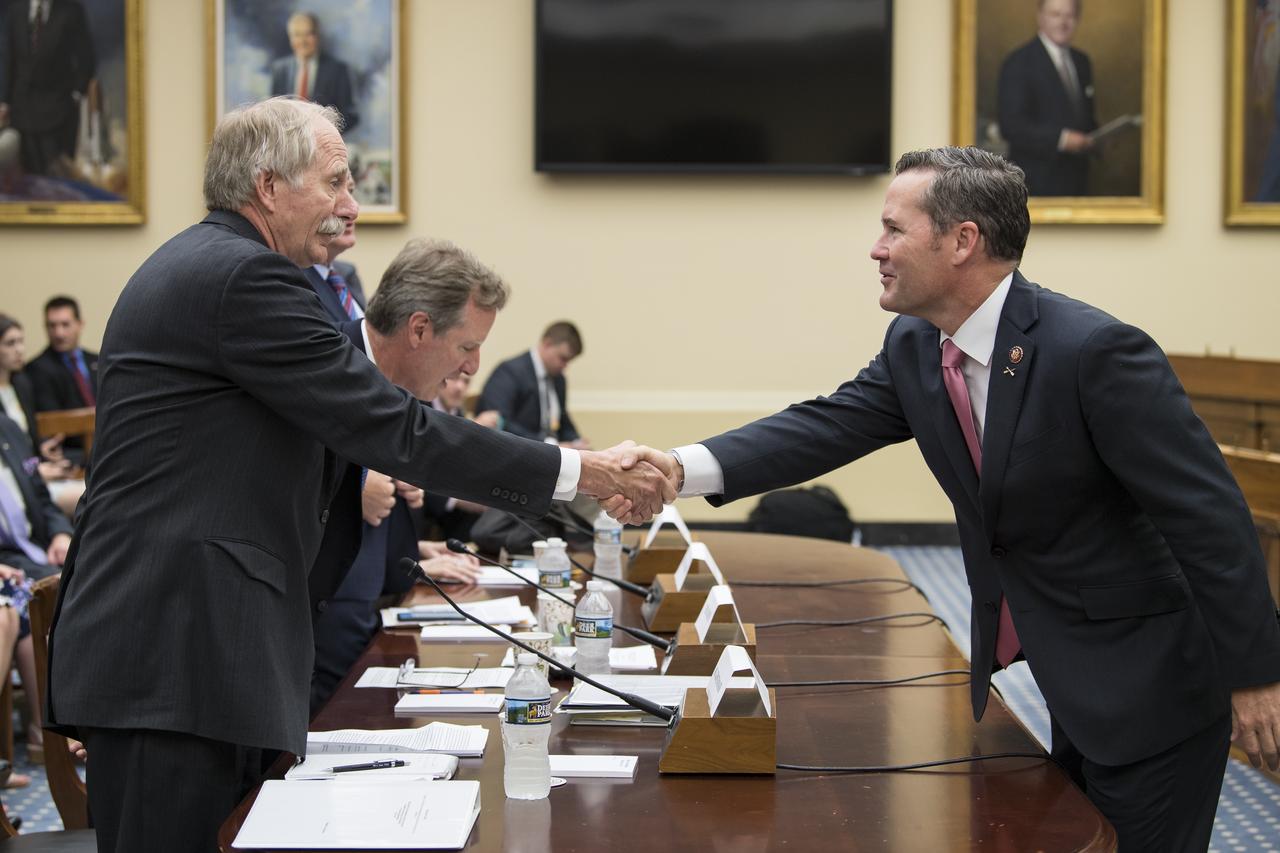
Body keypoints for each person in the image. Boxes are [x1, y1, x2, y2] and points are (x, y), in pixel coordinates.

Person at [43, 96, 673, 852]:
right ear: (269, 186)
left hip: (195, 653)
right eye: (336, 181)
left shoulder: (230, 269)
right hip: (174, 654)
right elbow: (392, 425)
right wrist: (581, 472)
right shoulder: (245, 278)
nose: (351, 205)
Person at [628, 146, 1280, 851]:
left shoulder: (1094, 352)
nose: (876, 249)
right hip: (1068, 678)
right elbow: (825, 425)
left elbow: (1209, 519)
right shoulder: (915, 345)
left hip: (1155, 689)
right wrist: (676, 468)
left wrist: (1257, 678)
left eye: (894, 229)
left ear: (962, 240)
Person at [310, 238, 495, 713]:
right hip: (311, 665)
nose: (471, 367)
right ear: (418, 329)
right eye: (467, 347)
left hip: (365, 647)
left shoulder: (395, 393)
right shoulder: (329, 369)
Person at [997, 0, 1097, 196]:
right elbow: (1011, 126)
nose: (1063, 22)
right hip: (1036, 183)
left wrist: (1100, 138)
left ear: (1077, 19)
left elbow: (1083, 118)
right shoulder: (1018, 62)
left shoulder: (1082, 61)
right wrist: (1061, 139)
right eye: (1055, 15)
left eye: (1069, 15)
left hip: (1078, 183)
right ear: (1040, 17)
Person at [0, 0, 97, 177]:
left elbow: (86, 57)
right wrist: (5, 102)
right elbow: (8, 59)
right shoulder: (16, 10)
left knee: (57, 180)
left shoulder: (71, 11)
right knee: (28, 181)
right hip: (21, 110)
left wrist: (75, 95)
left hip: (59, 111)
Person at [0, 315, 82, 516]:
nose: (19, 349)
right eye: (10, 343)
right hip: (14, 485)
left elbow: (26, 441)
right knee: (89, 497)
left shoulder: (21, 385)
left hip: (35, 472)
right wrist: (36, 472)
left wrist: (44, 453)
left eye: (21, 341)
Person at [479, 320, 587, 446]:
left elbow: (563, 420)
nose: (565, 366)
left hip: (550, 454)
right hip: (520, 453)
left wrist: (577, 442)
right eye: (563, 358)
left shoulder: (559, 380)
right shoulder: (509, 372)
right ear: (547, 344)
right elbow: (499, 423)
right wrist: (549, 445)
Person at [269, 12, 358, 134]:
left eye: (308, 34)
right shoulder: (280, 70)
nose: (303, 41)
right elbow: (273, 111)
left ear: (317, 37)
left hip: (323, 144)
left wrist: (326, 133)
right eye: (297, 35)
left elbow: (350, 115)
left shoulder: (337, 70)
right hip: (289, 146)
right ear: (291, 39)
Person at [304, 176, 366, 323]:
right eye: (334, 189)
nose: (353, 208)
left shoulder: (347, 273)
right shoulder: (293, 282)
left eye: (351, 191)